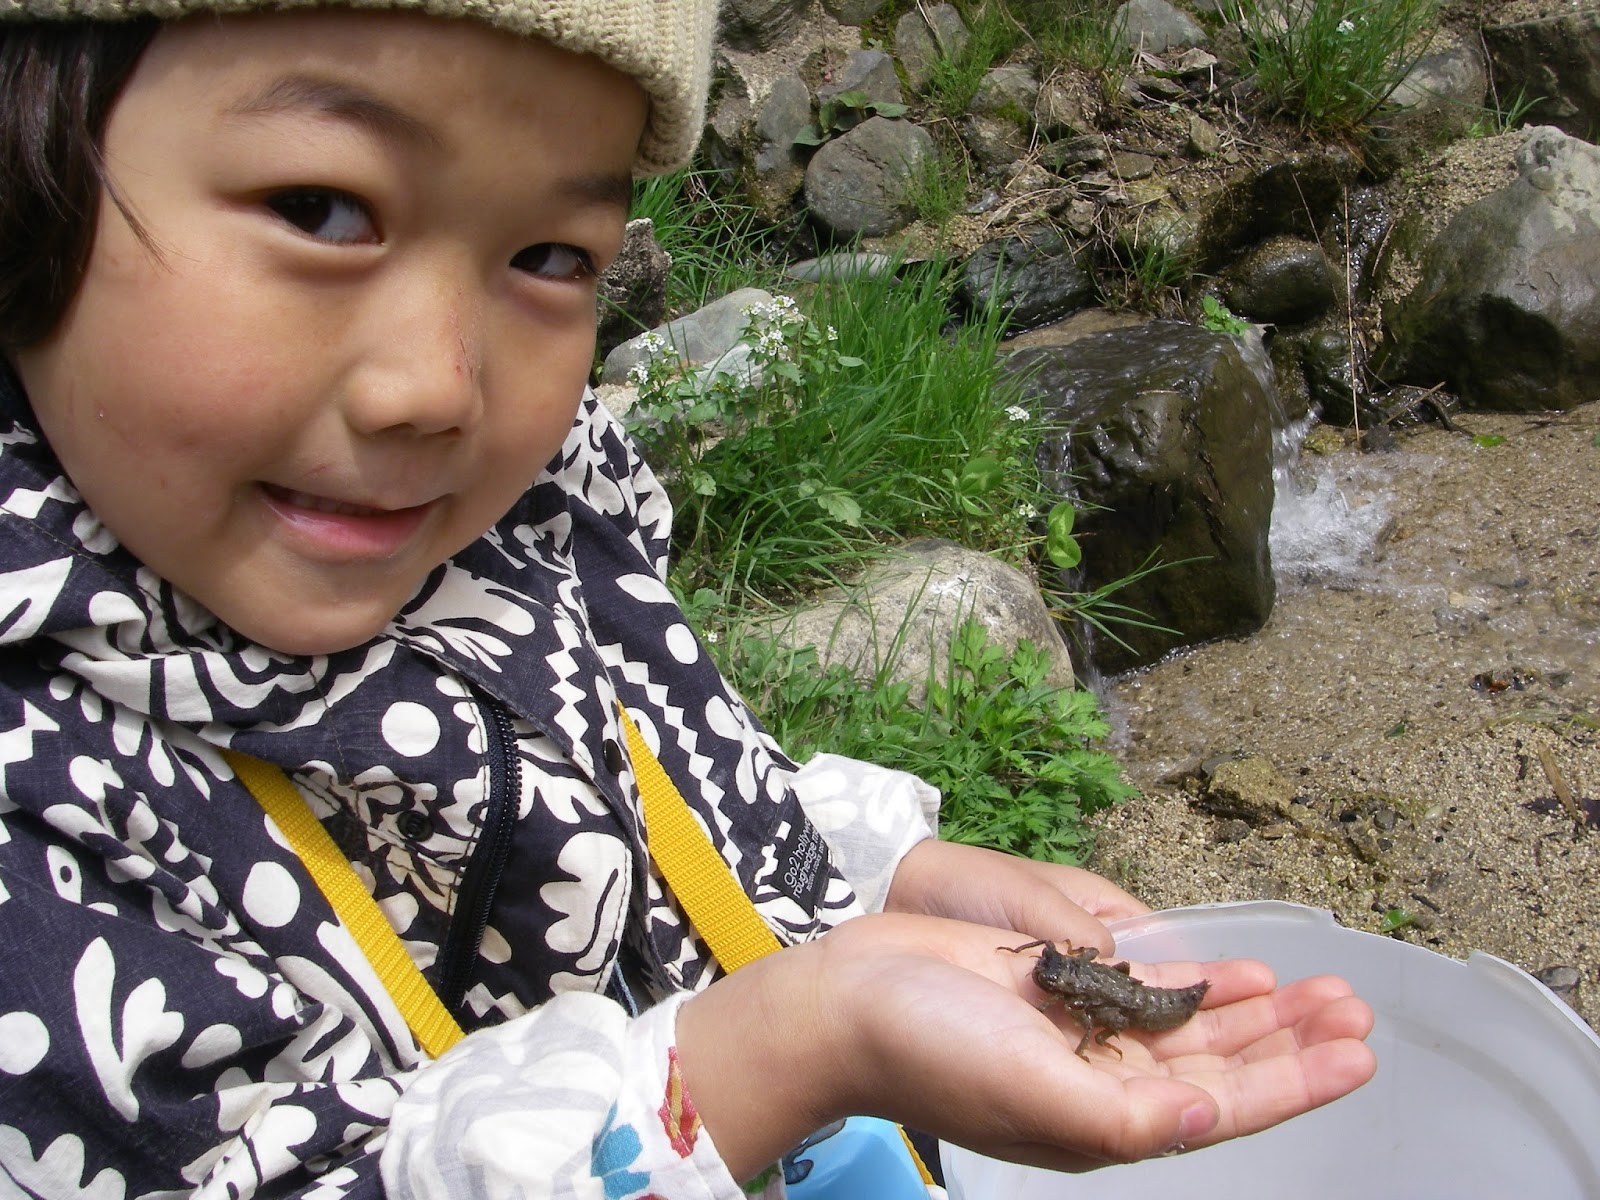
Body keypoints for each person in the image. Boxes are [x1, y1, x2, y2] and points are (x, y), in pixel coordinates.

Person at [0, 1, 1377, 1195]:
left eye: (552, 256)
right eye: (320, 209)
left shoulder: (536, 522)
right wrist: (779, 1054)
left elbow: (670, 784)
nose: (438, 386)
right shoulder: (38, 840)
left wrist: (879, 878)